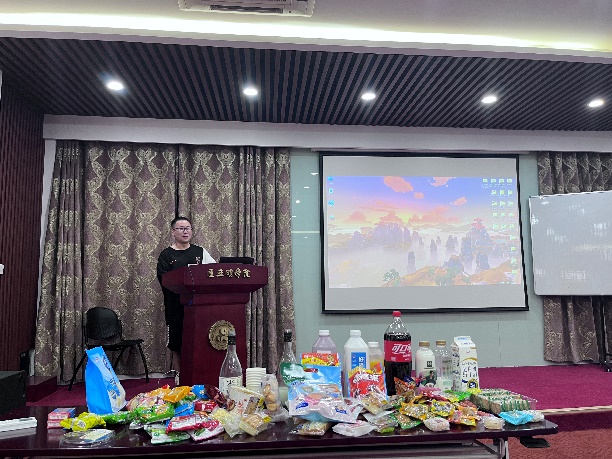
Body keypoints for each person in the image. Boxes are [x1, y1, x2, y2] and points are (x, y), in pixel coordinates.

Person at [157, 216, 215, 373]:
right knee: (177, 346)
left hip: (199, 308)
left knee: (200, 343)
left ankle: (200, 376)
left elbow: (213, 273)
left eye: (188, 228)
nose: (185, 232)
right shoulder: (166, 255)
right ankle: (180, 379)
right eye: (181, 228)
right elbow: (164, 281)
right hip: (175, 307)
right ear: (173, 232)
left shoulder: (200, 252)